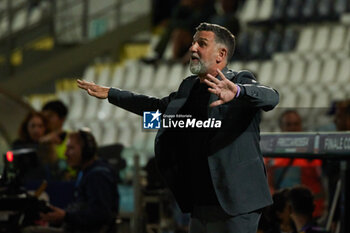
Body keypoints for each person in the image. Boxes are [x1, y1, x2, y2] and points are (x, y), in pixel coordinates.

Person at [78, 22, 279, 233]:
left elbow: (271, 97)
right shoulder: (188, 87)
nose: (192, 48)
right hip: (200, 204)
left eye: (202, 43)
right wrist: (112, 94)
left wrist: (238, 91)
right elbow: (157, 109)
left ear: (221, 54)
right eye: (193, 43)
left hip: (236, 204)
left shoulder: (240, 81)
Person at [23, 129, 119, 233]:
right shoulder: (86, 172)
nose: (65, 153)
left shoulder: (98, 176)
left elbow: (100, 214)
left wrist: (65, 216)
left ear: (86, 151)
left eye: (70, 148)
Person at [265, 110, 325, 218]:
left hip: (310, 215)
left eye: (296, 124)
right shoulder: (271, 157)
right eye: (288, 124)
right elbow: (268, 185)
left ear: (301, 126)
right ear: (281, 127)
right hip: (283, 216)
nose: (293, 128)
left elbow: (323, 185)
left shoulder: (313, 155)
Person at [40, 100, 73, 180]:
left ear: (62, 119)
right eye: (44, 117)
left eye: (50, 116)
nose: (46, 121)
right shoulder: (39, 140)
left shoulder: (73, 139)